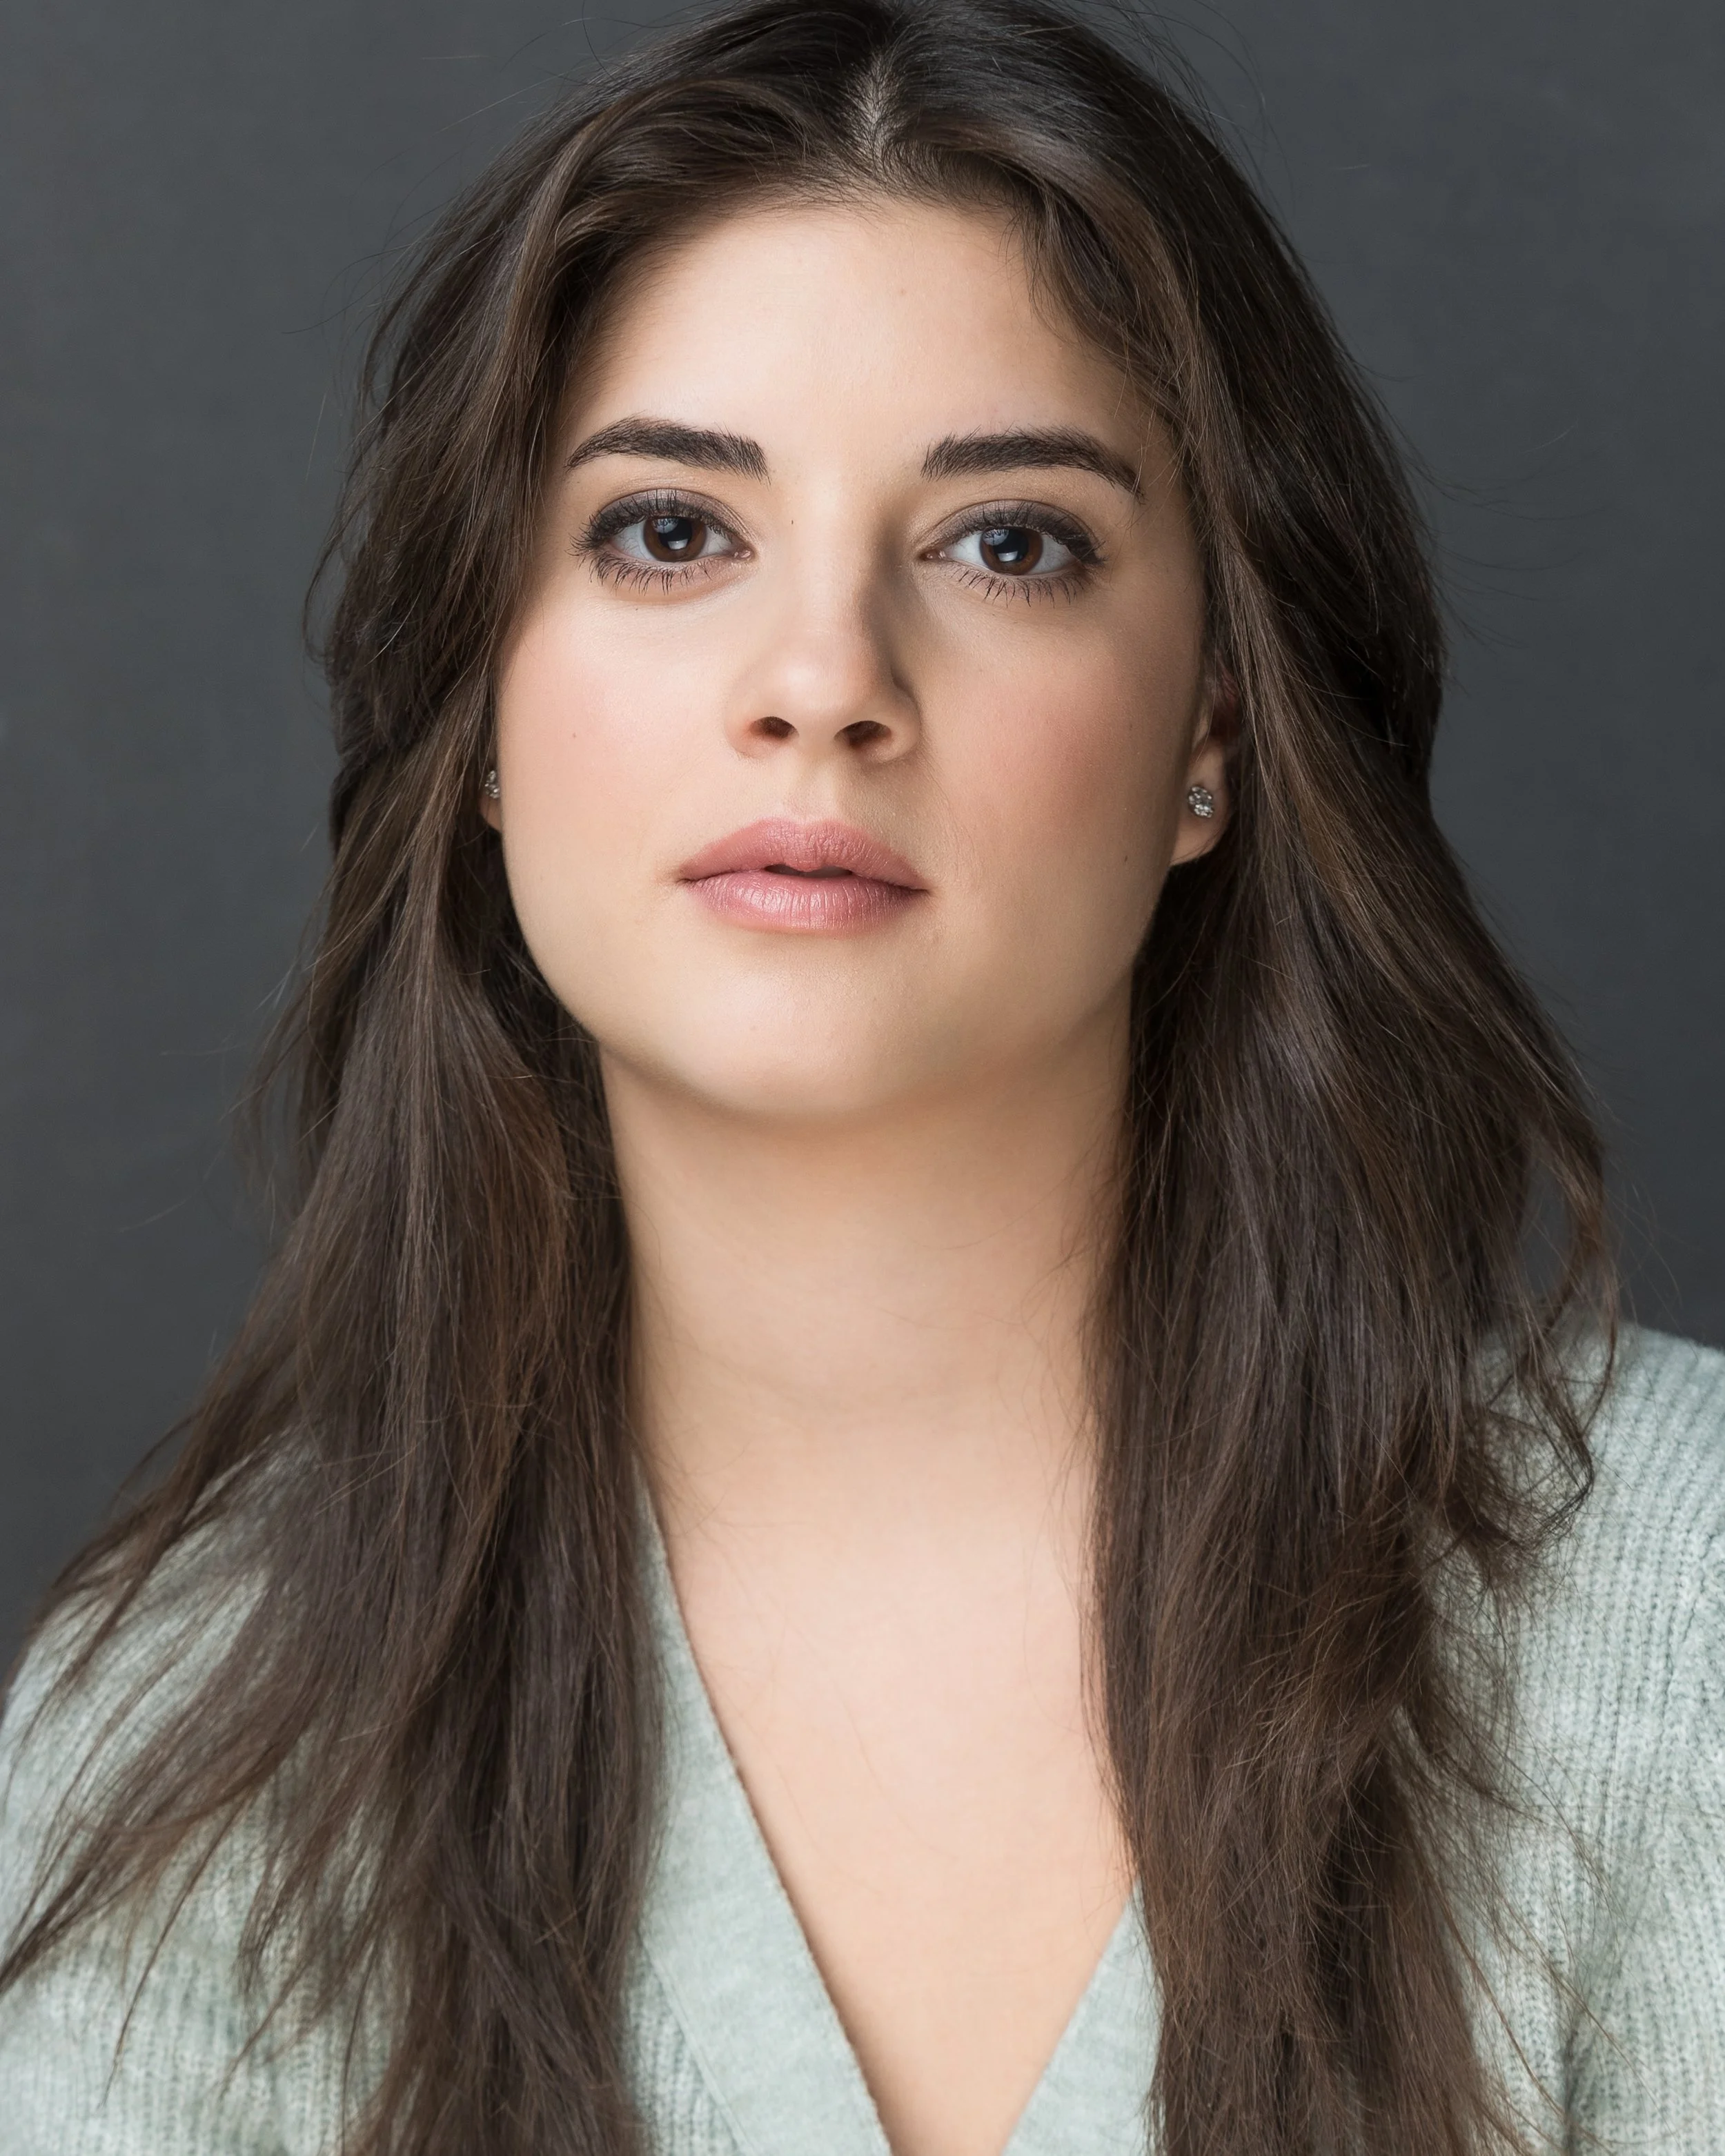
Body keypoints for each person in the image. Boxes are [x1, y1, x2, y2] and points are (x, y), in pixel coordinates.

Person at [1, 0, 1720, 2150]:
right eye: (667, 532)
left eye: (1007, 542)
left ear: (1210, 732)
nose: (821, 681)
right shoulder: (187, 1746)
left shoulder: (1674, 1611)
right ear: (482, 716)